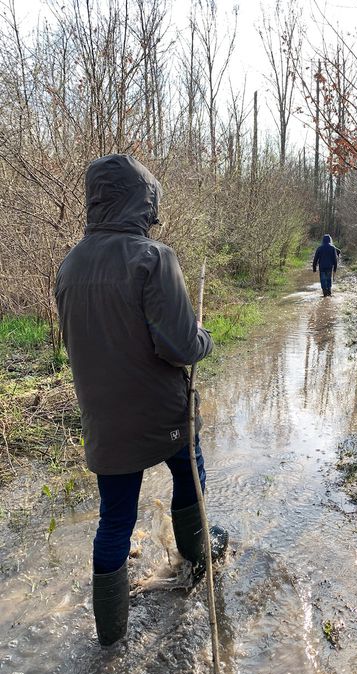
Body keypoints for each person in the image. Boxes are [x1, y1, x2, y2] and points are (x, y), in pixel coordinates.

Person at [55, 154, 228, 647]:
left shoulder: (68, 266)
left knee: (115, 518)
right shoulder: (153, 257)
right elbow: (178, 346)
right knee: (189, 473)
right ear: (143, 200)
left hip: (104, 420)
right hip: (162, 412)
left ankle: (110, 637)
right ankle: (198, 558)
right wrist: (203, 338)